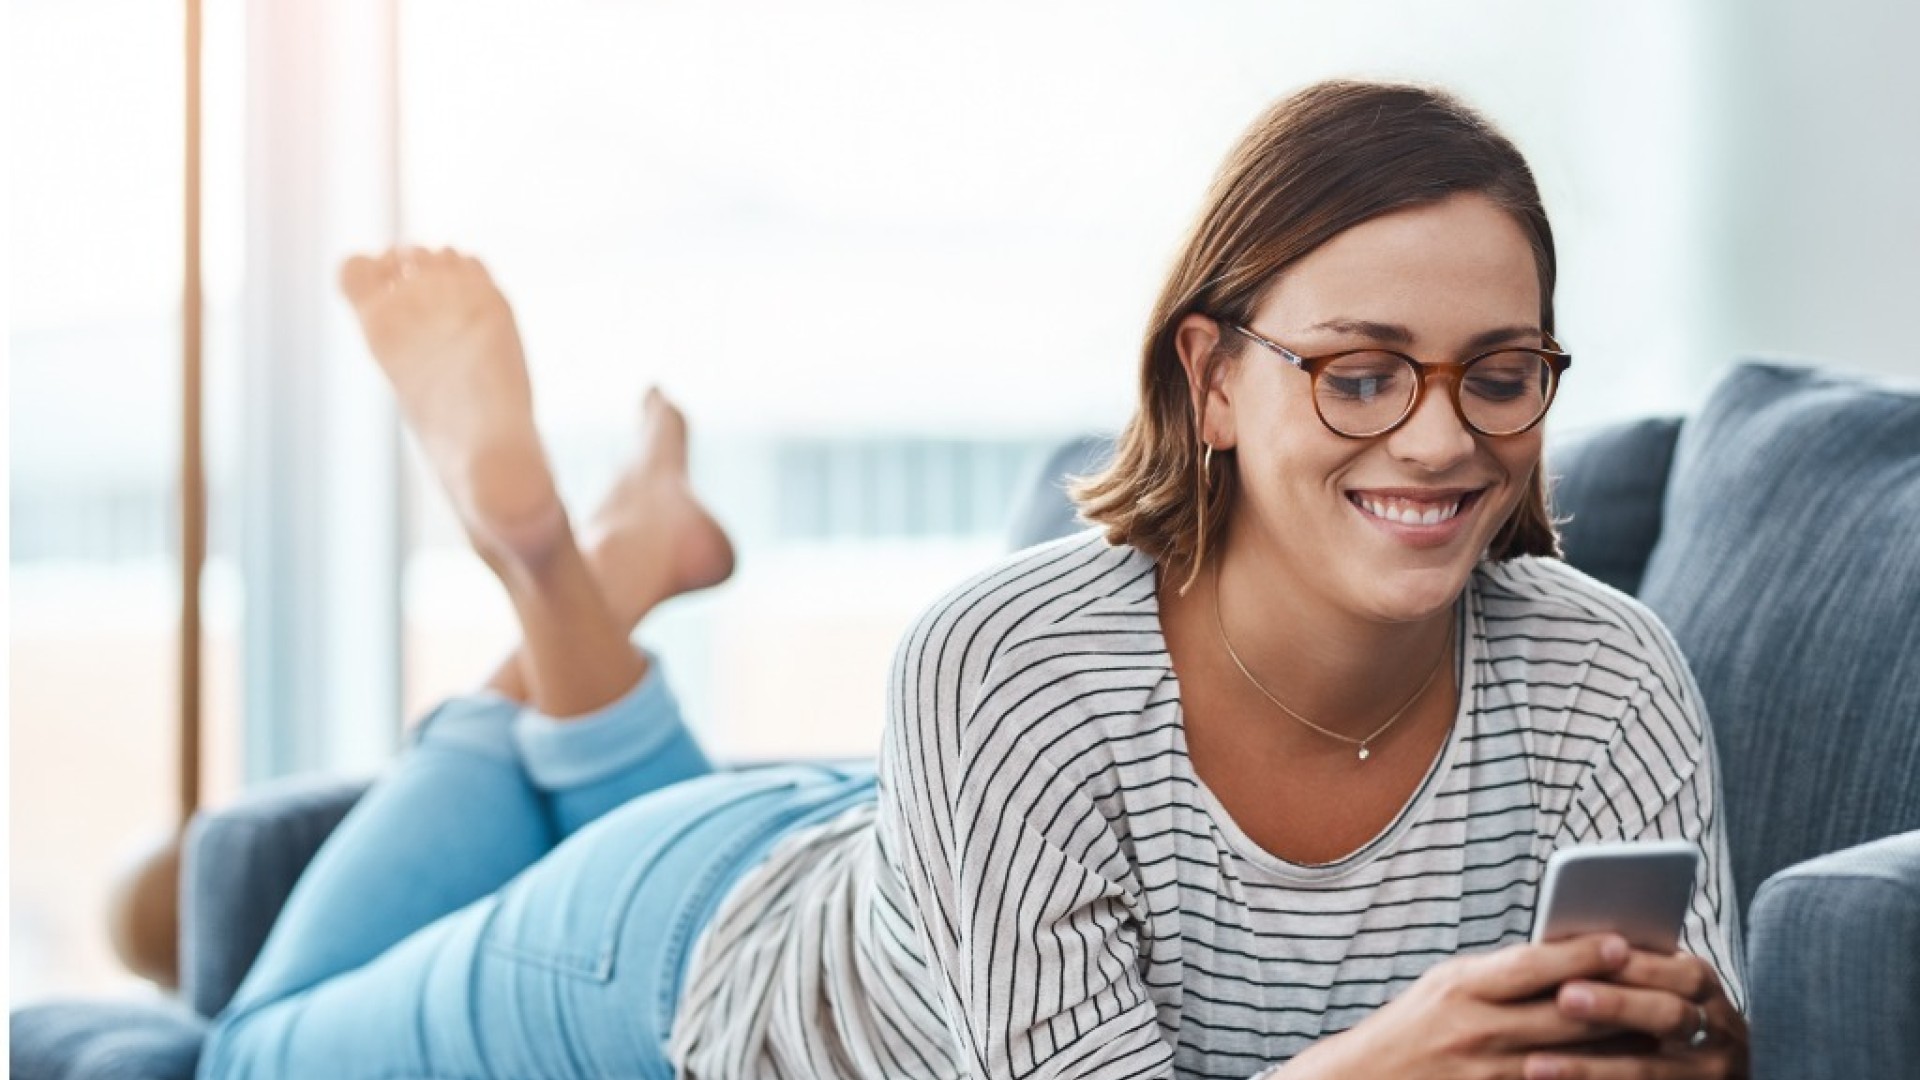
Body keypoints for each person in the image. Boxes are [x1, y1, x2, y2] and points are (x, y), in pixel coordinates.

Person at [199, 80, 1749, 1080]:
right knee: (236, 1062)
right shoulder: (1002, 660)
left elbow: (1695, 1042)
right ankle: (554, 553)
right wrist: (1386, 1061)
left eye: (1499, 375)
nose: (1439, 440)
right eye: (1359, 376)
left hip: (928, 858)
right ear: (1209, 381)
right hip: (693, 956)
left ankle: (611, 572)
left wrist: (1692, 1047)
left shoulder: (1604, 676)